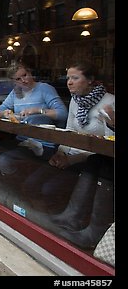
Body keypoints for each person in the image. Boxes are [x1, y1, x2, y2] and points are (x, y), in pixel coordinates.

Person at [22, 62, 114, 249]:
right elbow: (70, 132)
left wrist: (70, 159)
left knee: (96, 162)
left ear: (90, 80)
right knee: (31, 182)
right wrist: (61, 153)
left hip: (91, 159)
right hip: (73, 156)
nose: (69, 82)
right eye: (68, 77)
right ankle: (70, 218)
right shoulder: (75, 101)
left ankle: (79, 223)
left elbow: (107, 146)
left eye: (75, 78)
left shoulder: (110, 102)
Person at [0, 63, 68, 196]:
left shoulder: (44, 88)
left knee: (5, 159)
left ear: (30, 73)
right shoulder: (15, 93)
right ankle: (2, 186)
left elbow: (63, 113)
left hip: (44, 143)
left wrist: (39, 110)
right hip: (22, 140)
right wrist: (6, 113)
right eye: (18, 79)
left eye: (25, 75)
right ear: (13, 81)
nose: (24, 80)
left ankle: (15, 193)